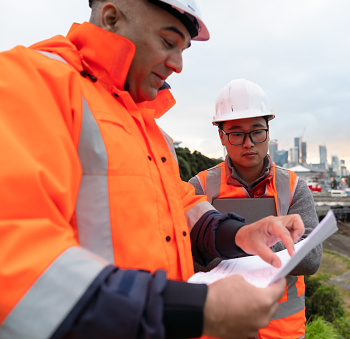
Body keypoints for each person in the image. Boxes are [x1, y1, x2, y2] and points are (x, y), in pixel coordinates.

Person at [0, 1, 306, 338]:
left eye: (184, 49)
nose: (178, 65)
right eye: (167, 41)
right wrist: (191, 308)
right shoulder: (29, 84)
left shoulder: (148, 128)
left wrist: (238, 235)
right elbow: (15, 259)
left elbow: (179, 205)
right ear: (112, 17)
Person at [189, 79, 322, 339]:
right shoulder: (200, 186)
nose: (248, 142)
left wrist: (225, 249)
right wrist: (275, 248)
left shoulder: (294, 187)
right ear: (221, 136)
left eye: (257, 131)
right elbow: (188, 253)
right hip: (219, 325)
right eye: (237, 133)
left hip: (282, 329)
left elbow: (310, 257)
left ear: (268, 133)